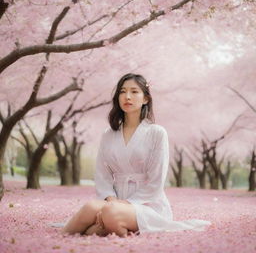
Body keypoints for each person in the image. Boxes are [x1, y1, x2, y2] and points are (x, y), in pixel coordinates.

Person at [62, 73, 211, 237]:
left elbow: (156, 181)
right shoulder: (108, 134)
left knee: (110, 213)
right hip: (114, 201)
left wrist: (123, 205)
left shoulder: (157, 133)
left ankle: (102, 227)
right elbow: (101, 174)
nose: (127, 97)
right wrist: (111, 200)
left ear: (146, 98)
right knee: (91, 207)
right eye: (122, 91)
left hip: (147, 205)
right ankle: (64, 238)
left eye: (134, 92)